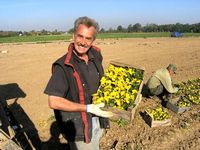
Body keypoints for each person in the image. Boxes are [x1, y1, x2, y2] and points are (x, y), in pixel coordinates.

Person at [44, 16, 113, 150]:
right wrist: (88, 108)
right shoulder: (64, 66)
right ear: (73, 35)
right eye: (80, 36)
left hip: (98, 118)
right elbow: (53, 101)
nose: (83, 42)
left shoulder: (96, 55)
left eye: (88, 38)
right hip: (80, 126)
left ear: (93, 40)